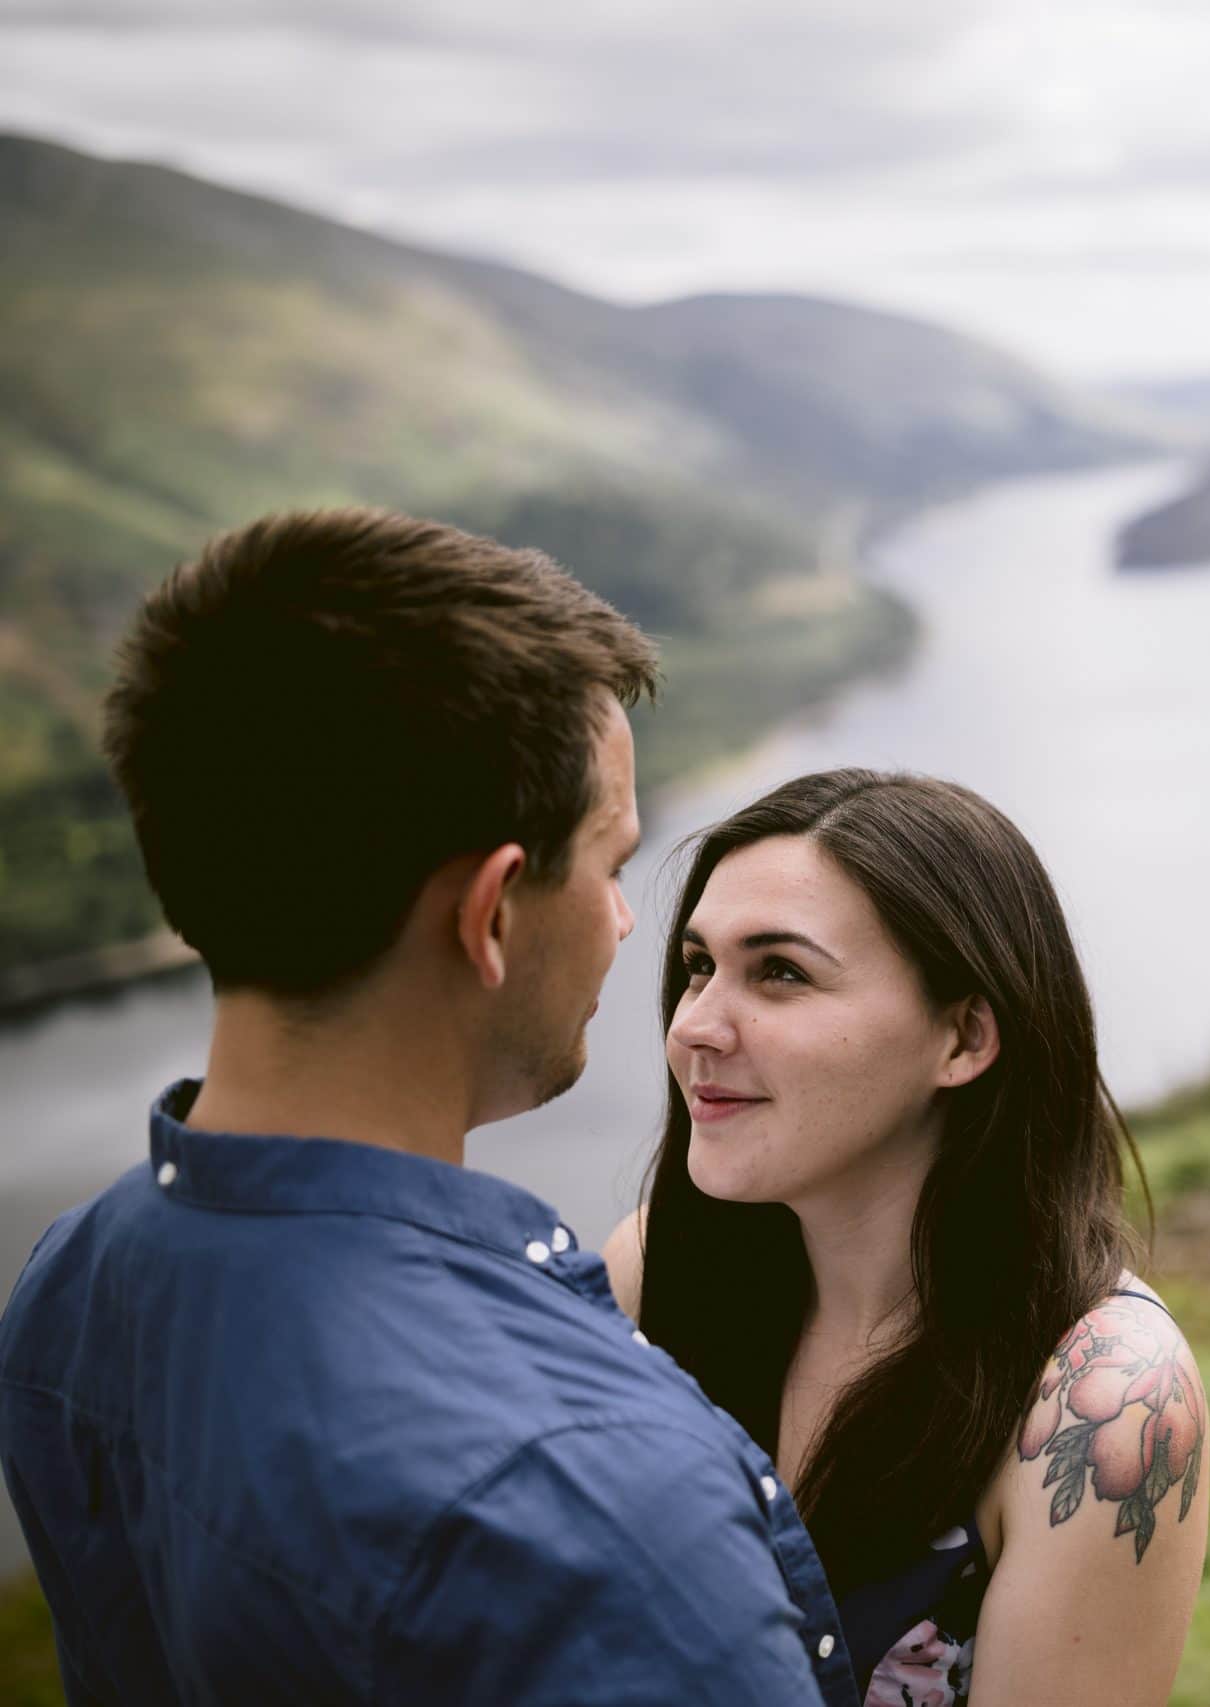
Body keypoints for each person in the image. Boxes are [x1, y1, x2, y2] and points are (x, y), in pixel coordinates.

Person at [0, 510, 862, 1704]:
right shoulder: (591, 1496)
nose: (623, 922)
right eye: (613, 864)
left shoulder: (74, 1281)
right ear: (493, 913)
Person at [603, 769, 1210, 1706]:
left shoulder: (1105, 1394)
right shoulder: (654, 1270)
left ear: (964, 1038)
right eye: (698, 965)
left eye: (781, 972)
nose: (695, 1027)